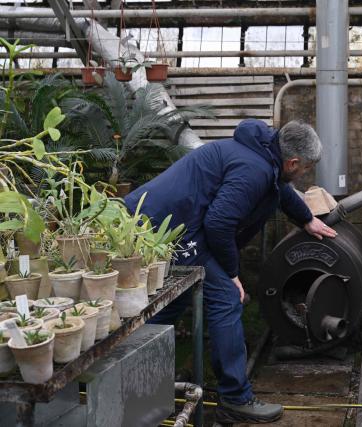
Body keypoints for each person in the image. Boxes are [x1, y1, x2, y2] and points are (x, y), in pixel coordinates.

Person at [124, 119, 337, 424]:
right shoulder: (255, 169)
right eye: (304, 169)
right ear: (292, 161)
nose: (303, 174)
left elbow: (281, 190)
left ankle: (134, 375)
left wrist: (306, 219)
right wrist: (232, 272)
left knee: (176, 299)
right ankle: (235, 398)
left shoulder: (264, 154)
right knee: (226, 296)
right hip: (164, 228)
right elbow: (219, 223)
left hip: (168, 223)